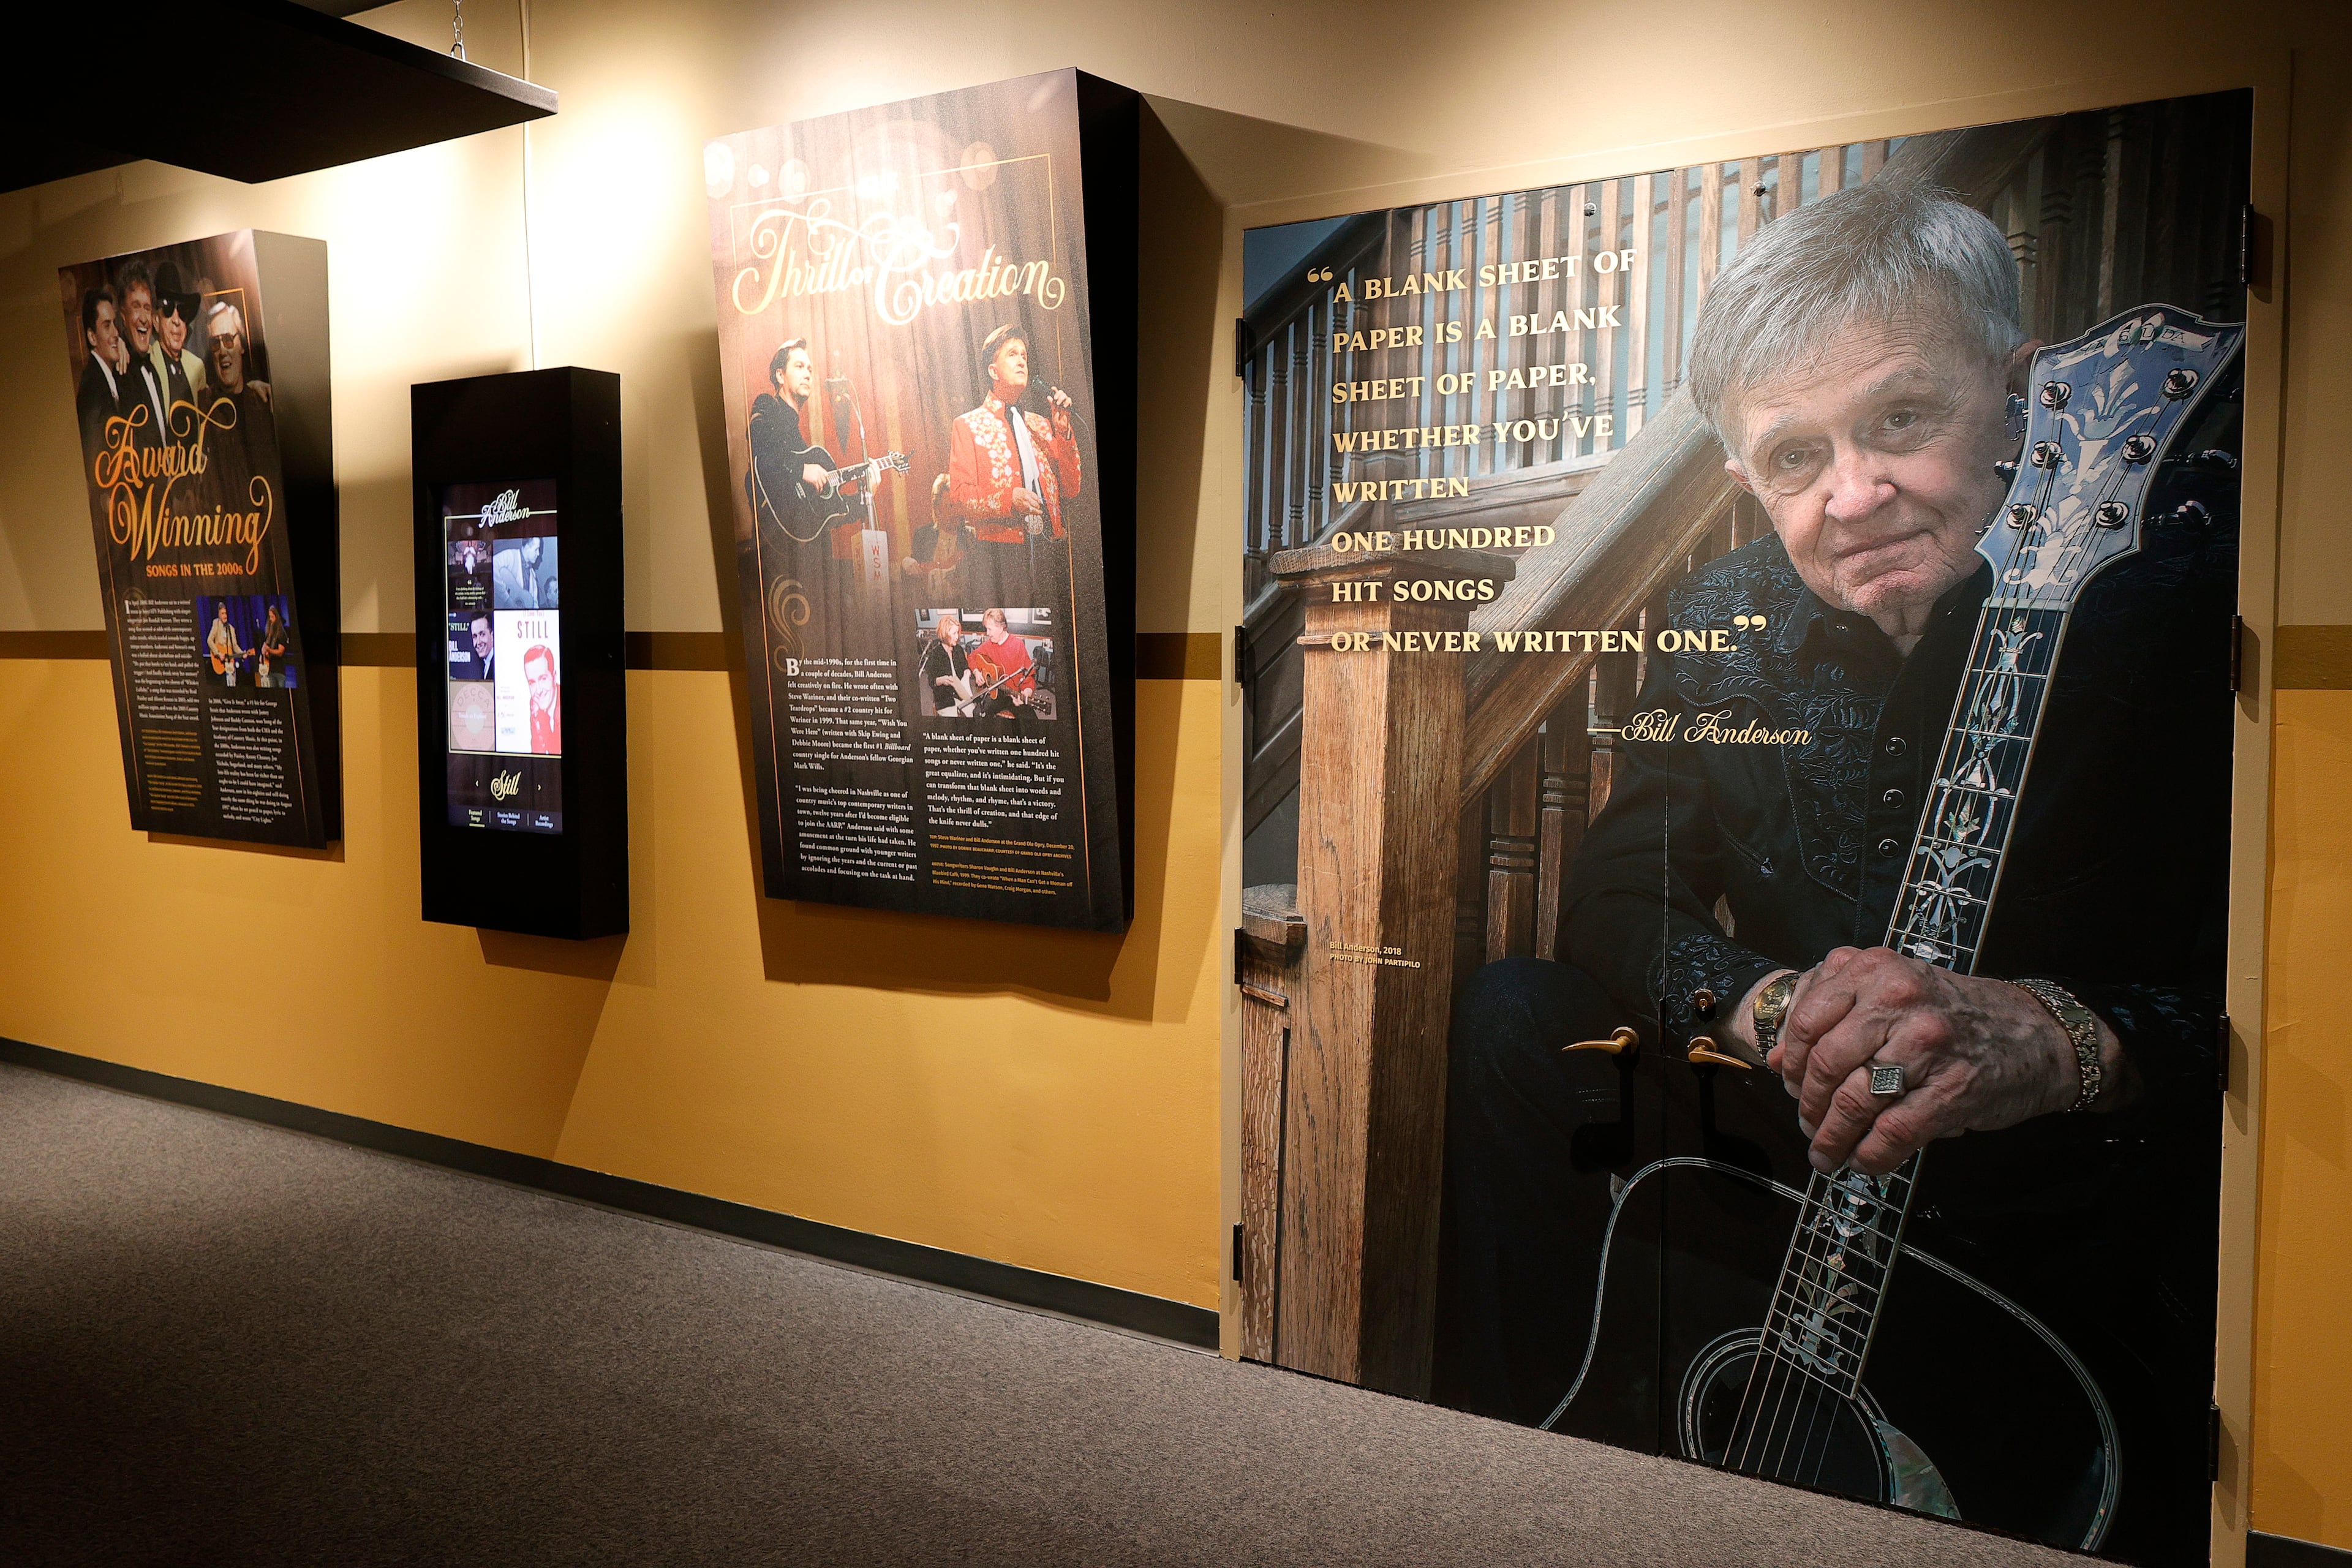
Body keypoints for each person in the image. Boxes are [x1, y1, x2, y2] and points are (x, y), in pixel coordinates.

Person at [1434, 178, 2233, 1564]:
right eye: (1795, 455)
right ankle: (1526, 1466)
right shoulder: (1720, 613)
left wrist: (2055, 1041)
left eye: (1902, 420)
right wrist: (1777, 1009)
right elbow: (1617, 898)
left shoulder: (2187, 593)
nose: (1852, 497)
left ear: (2020, 392)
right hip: (1804, 1147)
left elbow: (2271, 976)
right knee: (1516, 1012)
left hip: (2070, 1177)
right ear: (1742, 480)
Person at [945, 325, 1079, 607]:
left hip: (1049, 549)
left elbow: (1071, 488)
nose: (1021, 361)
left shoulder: (1041, 425)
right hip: (1001, 553)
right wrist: (1009, 499)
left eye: (1024, 355)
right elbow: (959, 497)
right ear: (993, 372)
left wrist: (1064, 433)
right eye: (1012, 354)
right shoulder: (968, 425)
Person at [195, 302, 277, 517]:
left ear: (241, 345)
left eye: (228, 340)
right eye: (215, 343)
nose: (223, 351)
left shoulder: (264, 404)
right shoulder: (202, 409)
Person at [112, 263, 169, 450]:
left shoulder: (154, 372)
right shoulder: (119, 371)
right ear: (123, 316)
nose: (144, 318)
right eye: (136, 307)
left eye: (147, 308)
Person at [147, 261, 206, 442]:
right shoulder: (146, 364)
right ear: (156, 322)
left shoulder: (197, 366)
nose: (177, 321)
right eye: (168, 310)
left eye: (182, 312)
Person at [74, 285, 131, 458]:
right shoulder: (92, 389)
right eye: (107, 326)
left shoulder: (107, 376)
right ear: (92, 337)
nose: (116, 333)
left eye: (115, 323)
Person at [965, 608, 1038, 721]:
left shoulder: (1017, 645)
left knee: (1031, 722)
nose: (987, 633)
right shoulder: (989, 645)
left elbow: (1029, 675)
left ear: (1001, 627)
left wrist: (1027, 692)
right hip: (997, 694)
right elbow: (972, 657)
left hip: (1015, 694)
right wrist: (977, 672)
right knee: (978, 714)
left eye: (990, 629)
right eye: (986, 629)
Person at [916, 612, 974, 717]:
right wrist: (941, 680)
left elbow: (965, 667)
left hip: (961, 694)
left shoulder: (959, 649)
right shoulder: (935, 654)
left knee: (973, 713)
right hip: (945, 699)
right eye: (954, 633)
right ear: (945, 634)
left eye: (958, 633)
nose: (957, 637)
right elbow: (932, 682)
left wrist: (967, 671)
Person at [523, 643, 561, 753]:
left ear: (554, 677)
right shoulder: (535, 704)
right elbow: (538, 752)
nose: (538, 690)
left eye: (543, 679)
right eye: (532, 683)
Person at [205, 602, 249, 685]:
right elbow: (209, 640)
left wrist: (242, 653)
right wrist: (218, 654)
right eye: (222, 614)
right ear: (219, 615)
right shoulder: (216, 623)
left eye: (226, 613)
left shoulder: (231, 629)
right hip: (220, 661)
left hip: (230, 664)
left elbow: (235, 645)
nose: (225, 616)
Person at [255, 604, 290, 688]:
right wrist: (262, 654)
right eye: (270, 617)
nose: (271, 620)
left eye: (272, 617)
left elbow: (280, 652)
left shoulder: (281, 633)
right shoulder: (269, 635)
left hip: (279, 671)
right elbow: (265, 647)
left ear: (277, 618)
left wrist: (269, 650)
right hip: (270, 670)